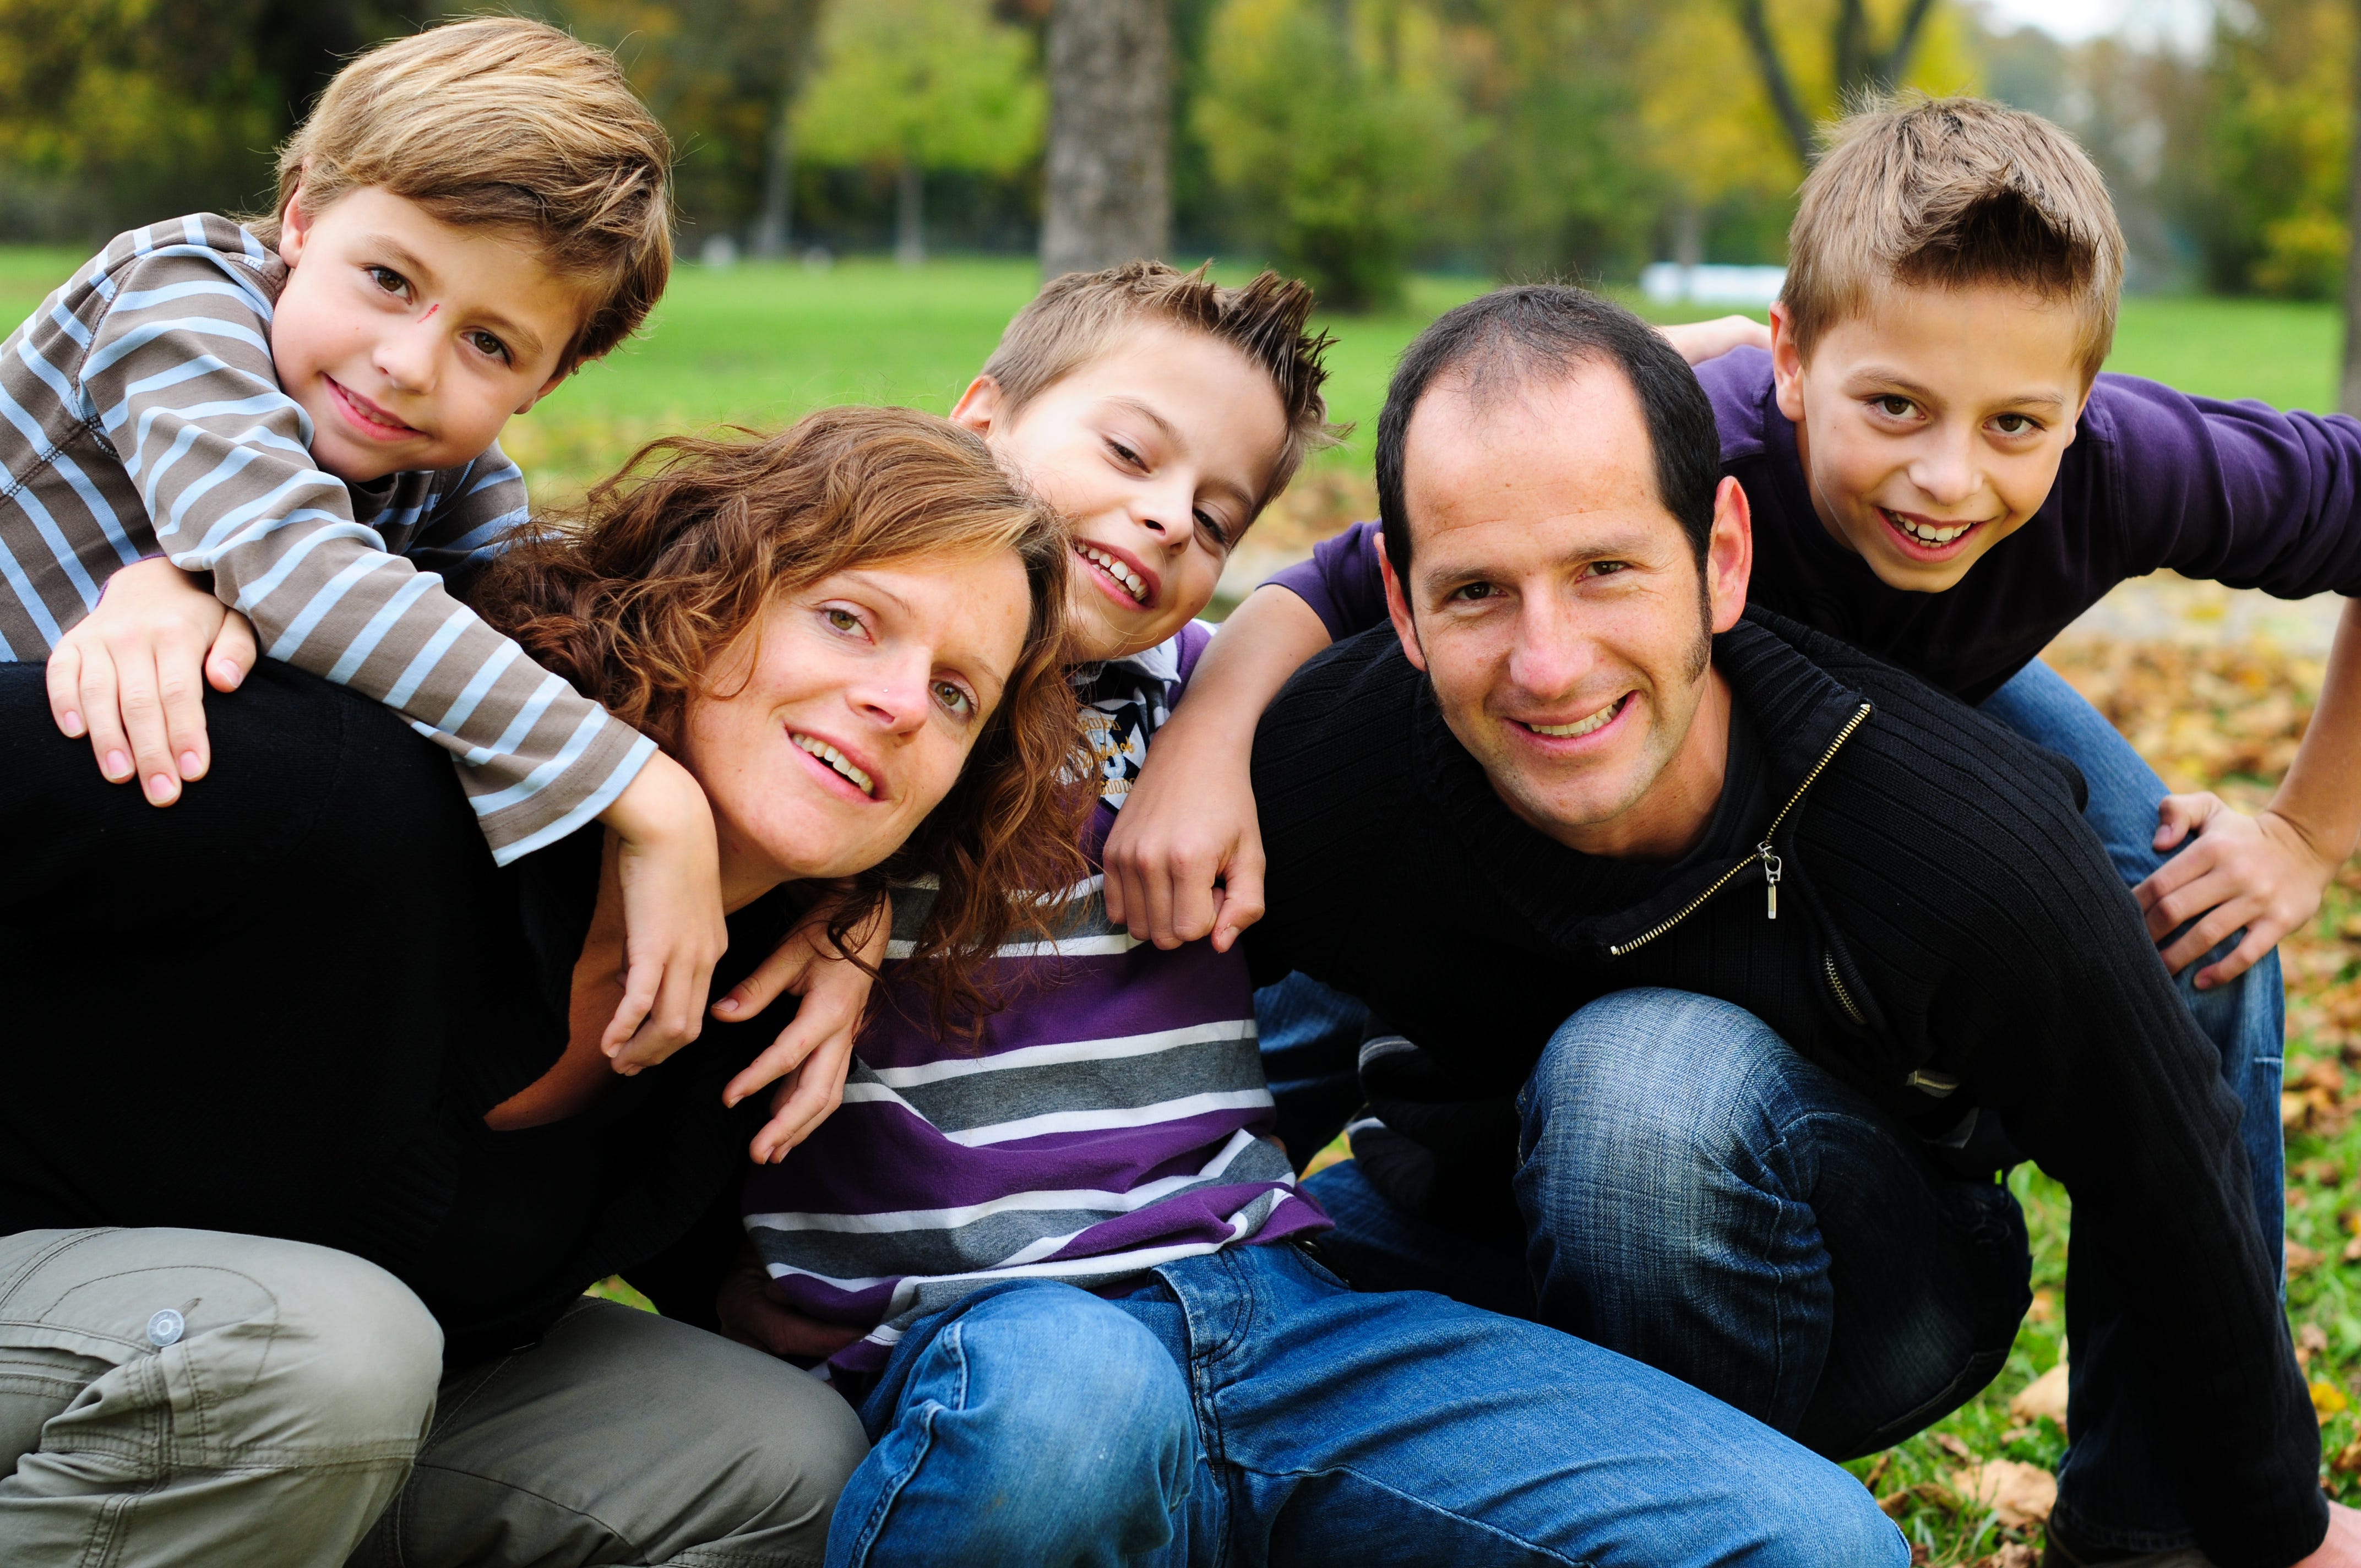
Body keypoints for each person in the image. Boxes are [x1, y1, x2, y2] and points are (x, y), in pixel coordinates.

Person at [724, 264, 1907, 1568]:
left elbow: (1407, 541)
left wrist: (1659, 356)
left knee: (1815, 1539)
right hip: (994, 1341)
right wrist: (843, 901)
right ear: (981, 417)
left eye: (1219, 515)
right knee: (1074, 1400)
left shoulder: (1208, 703)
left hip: (1266, 1314)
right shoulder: (831, 691)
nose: (1168, 516)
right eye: (1126, 449)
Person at [1106, 95, 2357, 1260]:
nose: (1946, 476)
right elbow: (1338, 582)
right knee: (1398, 820)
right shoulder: (1706, 434)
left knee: (2201, 935)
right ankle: (1164, 1212)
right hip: (1668, 699)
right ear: (1792, 364)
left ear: (2082, 402)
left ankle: (2161, 1502)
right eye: (1893, 406)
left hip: (1934, 704)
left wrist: (2304, 831)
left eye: (2012, 426)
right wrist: (1204, 747)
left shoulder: (2138, 462)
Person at [1236, 284, 2347, 1567]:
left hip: (1854, 1267)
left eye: (1605, 570)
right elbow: (1187, 1063)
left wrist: (2277, 1528)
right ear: (1404, 603)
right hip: (1473, 1247)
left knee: (1640, 1079)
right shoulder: (1330, 760)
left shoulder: (1951, 828)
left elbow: (2159, 1163)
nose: (1547, 661)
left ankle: (1737, 1524)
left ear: (1720, 556)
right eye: (1477, 591)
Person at [0, 407, 1084, 1568]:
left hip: (305, 1410)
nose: (902, 702)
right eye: (847, 620)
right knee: (318, 1351)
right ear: (699, 595)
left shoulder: (759, 999)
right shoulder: (354, 790)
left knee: (769, 1454)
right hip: (112, 1322)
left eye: (957, 695)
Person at [5, 17, 732, 1069]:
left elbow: (554, 645)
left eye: (491, 343)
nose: (408, 364)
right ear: (302, 217)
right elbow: (289, 563)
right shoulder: (173, 295)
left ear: (549, 382)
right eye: (389, 279)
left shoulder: (451, 475)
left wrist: (837, 911)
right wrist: (644, 792)